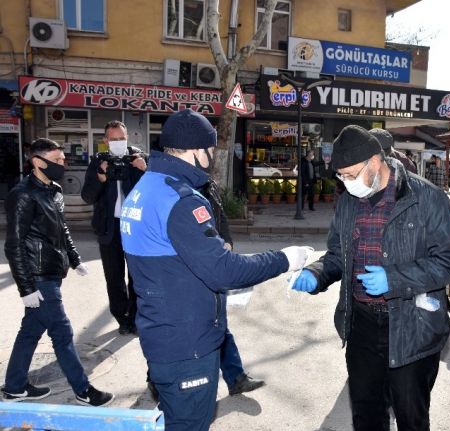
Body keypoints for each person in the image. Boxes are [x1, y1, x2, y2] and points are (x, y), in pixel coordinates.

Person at [120, 109, 309, 431]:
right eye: (211, 148)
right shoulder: (181, 200)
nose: (212, 155)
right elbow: (224, 271)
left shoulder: (146, 186)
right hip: (187, 344)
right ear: (197, 150)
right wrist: (284, 259)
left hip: (163, 332)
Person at [292, 125, 450, 431]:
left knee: (411, 416)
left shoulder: (427, 198)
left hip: (412, 325)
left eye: (351, 174)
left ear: (375, 161)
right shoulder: (347, 202)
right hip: (362, 325)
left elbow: (449, 262)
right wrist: (316, 273)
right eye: (341, 176)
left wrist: (395, 279)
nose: (346, 182)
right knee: (367, 414)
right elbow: (336, 255)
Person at [3, 138, 114, 407]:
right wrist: (26, 288)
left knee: (30, 332)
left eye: (63, 159)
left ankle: (16, 386)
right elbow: (13, 245)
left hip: (53, 271)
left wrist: (75, 259)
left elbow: (61, 229)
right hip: (38, 277)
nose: (63, 164)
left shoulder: (53, 189)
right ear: (38, 162)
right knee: (62, 334)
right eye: (58, 160)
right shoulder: (23, 194)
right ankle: (83, 390)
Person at [198, 177, 265, 395]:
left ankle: (235, 377)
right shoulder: (176, 186)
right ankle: (158, 381)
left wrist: (227, 241)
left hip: (215, 263)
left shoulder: (208, 184)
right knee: (184, 328)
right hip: (193, 269)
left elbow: (221, 217)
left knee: (219, 324)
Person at [81, 121, 147, 335]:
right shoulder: (98, 162)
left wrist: (145, 170)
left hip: (135, 228)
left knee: (137, 276)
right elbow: (87, 196)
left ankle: (137, 317)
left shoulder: (139, 159)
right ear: (105, 141)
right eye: (114, 139)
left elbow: (153, 193)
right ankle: (122, 318)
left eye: (122, 138)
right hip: (109, 228)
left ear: (128, 138)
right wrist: (100, 178)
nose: (119, 142)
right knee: (114, 277)